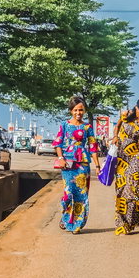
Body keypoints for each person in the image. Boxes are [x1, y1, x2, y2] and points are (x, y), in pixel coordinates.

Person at [54, 96, 101, 234]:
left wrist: (97, 166)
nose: (78, 113)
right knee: (68, 194)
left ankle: (76, 225)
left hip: (83, 165)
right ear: (70, 111)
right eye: (75, 110)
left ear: (84, 111)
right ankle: (66, 216)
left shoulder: (87, 127)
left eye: (81, 110)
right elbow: (58, 143)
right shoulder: (64, 125)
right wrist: (61, 158)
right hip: (67, 165)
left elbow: (93, 147)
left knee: (81, 195)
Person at [113, 96, 139, 235]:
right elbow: (117, 126)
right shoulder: (126, 115)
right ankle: (125, 219)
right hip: (120, 157)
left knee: (133, 188)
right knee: (120, 188)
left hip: (135, 156)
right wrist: (115, 137)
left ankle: (128, 223)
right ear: (136, 107)